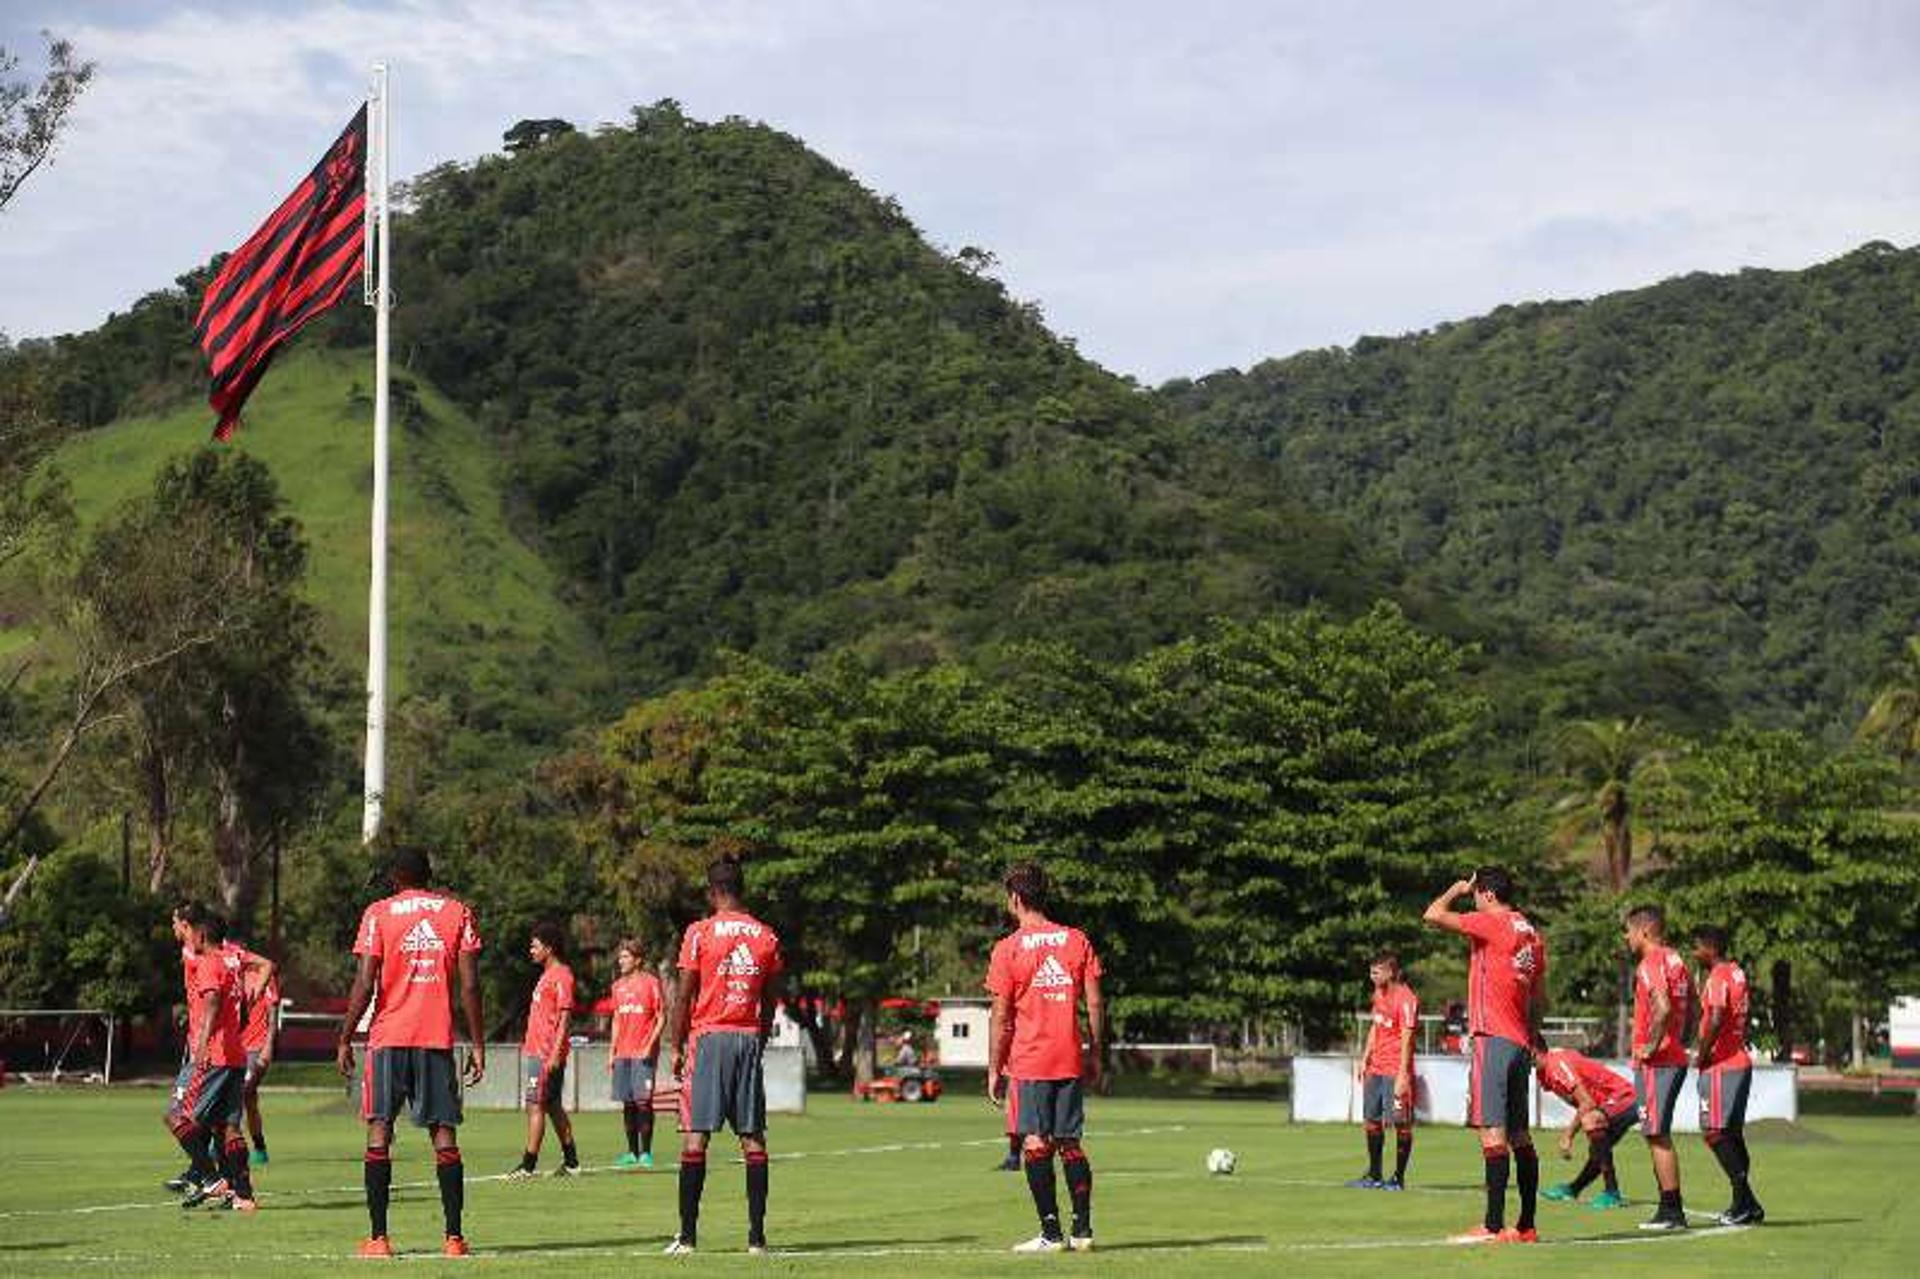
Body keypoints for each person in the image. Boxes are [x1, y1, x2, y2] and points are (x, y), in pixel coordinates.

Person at [337, 841, 485, 1259]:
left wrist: (346, 1036)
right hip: (436, 1037)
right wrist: (476, 1042)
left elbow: (365, 983)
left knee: (380, 1129)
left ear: (396, 878)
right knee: (443, 1134)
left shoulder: (378, 913)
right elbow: (471, 984)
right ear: (428, 875)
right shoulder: (458, 912)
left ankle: (379, 1239)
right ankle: (454, 1239)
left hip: (388, 1039)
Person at [663, 857, 784, 1256]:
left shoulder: (699, 933)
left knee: (696, 1136)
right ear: (741, 889)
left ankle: (688, 1237)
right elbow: (770, 1000)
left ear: (713, 891)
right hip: (747, 1037)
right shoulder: (766, 936)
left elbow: (684, 994)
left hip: (709, 1036)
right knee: (752, 1138)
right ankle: (756, 1239)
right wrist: (759, 1039)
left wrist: (676, 1044)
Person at [1423, 867, 1548, 1245]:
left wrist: (1455, 888)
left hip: (1491, 1037)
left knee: (1491, 1132)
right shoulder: (1531, 933)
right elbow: (1540, 998)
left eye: (1477, 892)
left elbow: (1432, 915)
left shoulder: (1492, 922)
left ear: (1488, 894)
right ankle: (1525, 1225)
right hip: (1519, 1042)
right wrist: (1530, 1035)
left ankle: (1492, 1225)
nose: (1473, 898)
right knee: (1520, 1135)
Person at [987, 861, 1106, 1254]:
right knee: (1070, 1142)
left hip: (1031, 1061)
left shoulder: (1008, 949)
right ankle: (1084, 1231)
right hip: (1069, 1057)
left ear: (1016, 899)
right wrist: (1096, 1053)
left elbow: (1001, 1018)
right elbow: (1094, 1002)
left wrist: (994, 1069)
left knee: (1036, 1144)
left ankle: (1051, 1234)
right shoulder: (1076, 940)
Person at [166, 909, 261, 1212]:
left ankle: (210, 1178)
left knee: (176, 1116)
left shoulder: (208, 963)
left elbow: (211, 1005)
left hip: (214, 1055)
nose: (187, 937)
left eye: (190, 931)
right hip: (235, 1055)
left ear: (201, 935)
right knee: (228, 1127)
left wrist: (202, 1047)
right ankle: (244, 1195)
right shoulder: (230, 964)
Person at [1625, 903, 1693, 1232]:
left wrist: (1650, 1044)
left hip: (1658, 1061)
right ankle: (1670, 1208)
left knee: (1656, 1134)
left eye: (1629, 930)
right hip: (1674, 1056)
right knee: (1657, 1133)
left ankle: (1671, 1211)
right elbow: (1689, 1005)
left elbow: (1663, 1007)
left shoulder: (1650, 963)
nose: (1626, 937)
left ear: (1645, 931)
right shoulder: (1676, 959)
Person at [1693, 924, 1764, 1225]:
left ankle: (1745, 1201)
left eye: (1696, 947)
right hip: (1738, 1060)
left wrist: (1704, 1052)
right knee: (1731, 1134)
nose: (1694, 953)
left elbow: (1719, 1014)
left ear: (1710, 948)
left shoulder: (1719, 975)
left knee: (1714, 1132)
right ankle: (1745, 1204)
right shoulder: (1737, 971)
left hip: (1722, 1065)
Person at [509, 922, 580, 1178]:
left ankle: (528, 1165)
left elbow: (565, 1018)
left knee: (535, 1105)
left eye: (535, 945)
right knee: (551, 1106)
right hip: (537, 1050)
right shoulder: (546, 976)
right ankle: (572, 1162)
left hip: (546, 1053)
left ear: (548, 948)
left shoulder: (562, 975)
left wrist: (554, 1054)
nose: (531, 950)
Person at [1346, 951, 1418, 1190]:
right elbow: (1375, 1027)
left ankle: (1398, 1177)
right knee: (1371, 1121)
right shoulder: (1378, 993)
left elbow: (1407, 1039)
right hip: (1376, 1068)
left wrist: (1403, 1074)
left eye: (1376, 972)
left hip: (1395, 1070)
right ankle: (1374, 1175)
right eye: (1371, 971)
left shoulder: (1407, 999)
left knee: (1400, 1122)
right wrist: (1365, 1057)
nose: (1372, 976)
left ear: (1391, 971)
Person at [1537, 1047, 1637, 1209]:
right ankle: (1573, 1189)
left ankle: (1612, 1193)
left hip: (1624, 1097)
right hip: (1609, 1102)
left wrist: (1567, 1136)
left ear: (1533, 1051)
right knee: (1597, 1149)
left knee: (1592, 1121)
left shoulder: (1555, 1064)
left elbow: (1587, 1102)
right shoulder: (1546, 1069)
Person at [608, 937, 666, 1169]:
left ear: (638, 960)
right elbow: (616, 1020)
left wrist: (649, 1045)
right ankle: (631, 1153)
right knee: (628, 1103)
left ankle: (646, 1153)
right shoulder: (617, 987)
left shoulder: (651, 983)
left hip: (643, 1054)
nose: (620, 961)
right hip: (623, 1053)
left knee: (644, 1102)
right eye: (620, 956)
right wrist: (611, 1052)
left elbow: (661, 1017)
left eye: (625, 956)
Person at [240, 939, 279, 1166]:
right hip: (233, 1048)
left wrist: (268, 1047)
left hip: (256, 1048)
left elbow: (272, 1018)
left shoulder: (265, 978)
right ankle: (260, 1146)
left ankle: (221, 1145)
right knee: (249, 1099)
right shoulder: (231, 977)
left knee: (241, 1091)